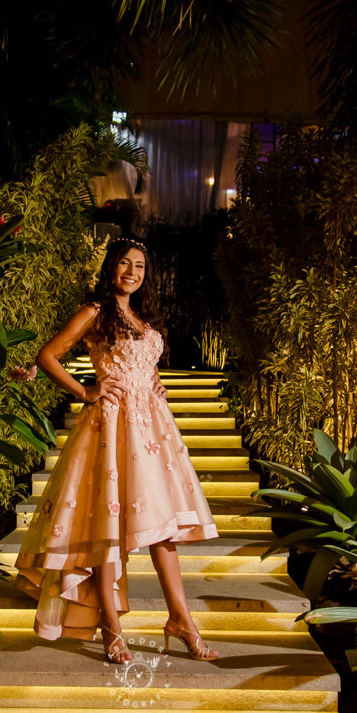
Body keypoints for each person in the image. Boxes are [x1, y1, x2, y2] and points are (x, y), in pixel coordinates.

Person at [12, 236, 220, 664]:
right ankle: (111, 627)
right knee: (107, 530)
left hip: (151, 429)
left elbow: (145, 365)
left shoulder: (143, 316)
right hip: (110, 427)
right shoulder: (95, 311)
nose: (132, 272)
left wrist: (154, 381)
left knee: (163, 530)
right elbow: (48, 355)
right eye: (125, 264)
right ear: (111, 268)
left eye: (140, 266)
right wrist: (85, 390)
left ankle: (181, 620)